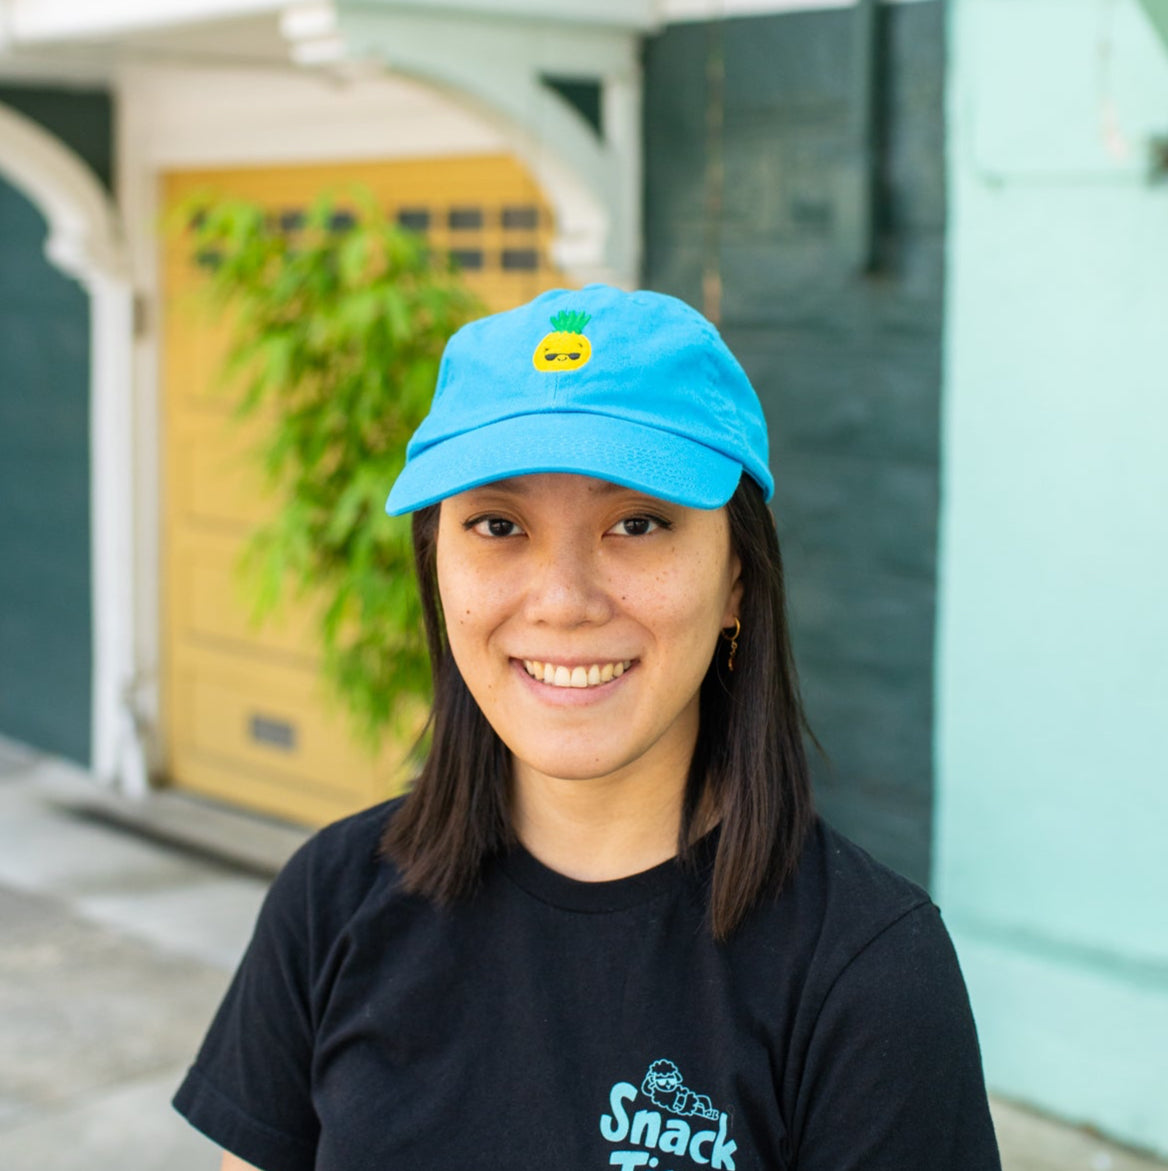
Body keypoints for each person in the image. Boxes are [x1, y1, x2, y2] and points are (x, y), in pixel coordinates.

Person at [174, 284, 1001, 1170]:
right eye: (498, 524)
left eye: (637, 523)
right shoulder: (326, 903)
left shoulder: (869, 976)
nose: (564, 602)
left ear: (737, 582)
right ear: (437, 568)